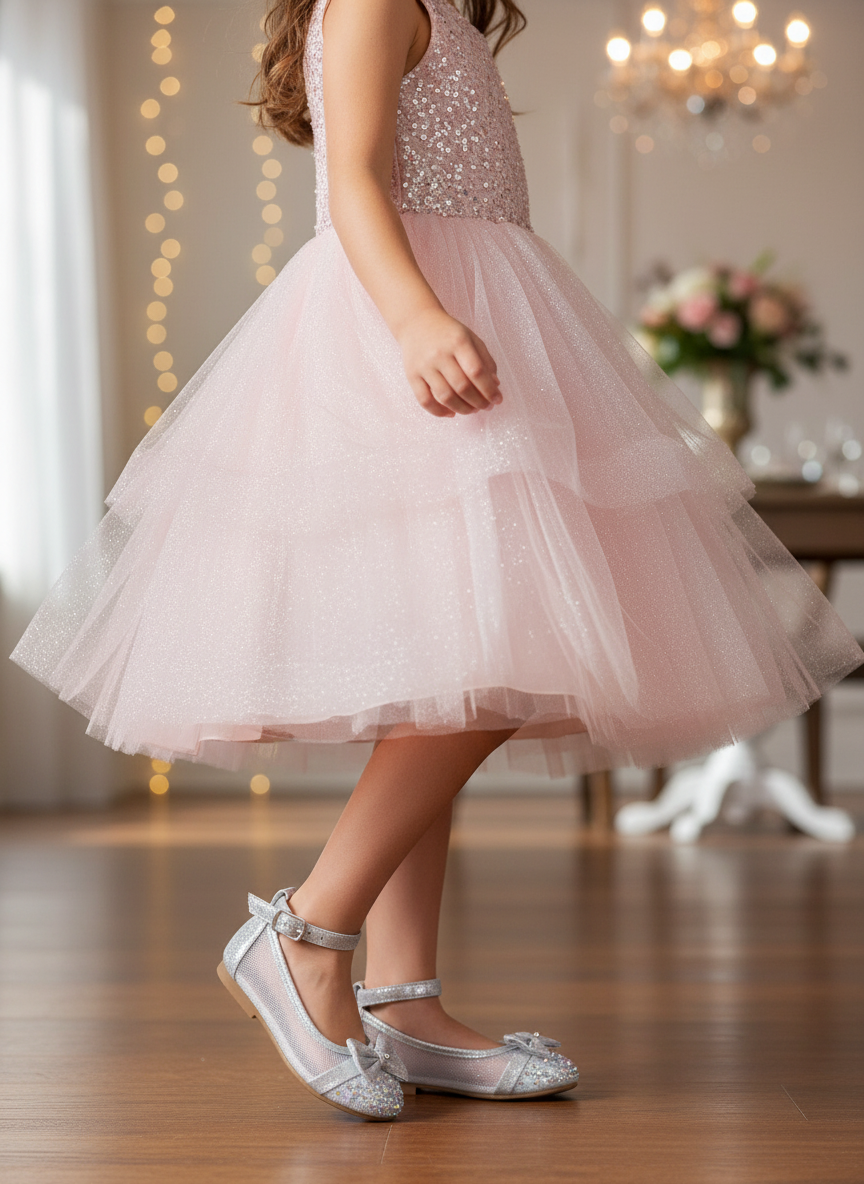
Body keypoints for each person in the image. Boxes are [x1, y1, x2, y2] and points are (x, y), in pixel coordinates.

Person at [11, 0, 862, 1121]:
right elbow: (354, 183)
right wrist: (417, 320)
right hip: (399, 327)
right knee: (510, 648)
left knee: (447, 665)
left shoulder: (444, 13)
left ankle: (404, 998)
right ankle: (306, 930)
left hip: (486, 308)